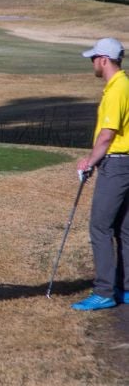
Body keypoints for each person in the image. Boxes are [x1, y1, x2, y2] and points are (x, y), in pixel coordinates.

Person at [72, 37, 129, 311]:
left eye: (94, 58)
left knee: (100, 226)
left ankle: (105, 290)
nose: (92, 63)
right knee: (123, 228)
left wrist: (89, 162)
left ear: (104, 60)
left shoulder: (118, 88)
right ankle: (125, 288)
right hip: (125, 163)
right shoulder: (122, 85)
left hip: (117, 164)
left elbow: (107, 136)